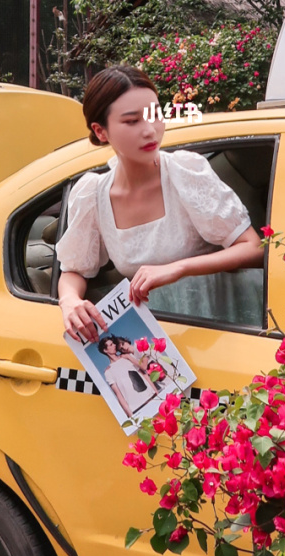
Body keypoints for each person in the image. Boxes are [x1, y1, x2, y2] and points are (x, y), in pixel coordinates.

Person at [57, 65, 264, 342]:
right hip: (153, 340)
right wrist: (69, 301)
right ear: (101, 131)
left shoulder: (185, 173)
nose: (150, 130)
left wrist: (180, 268)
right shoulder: (92, 195)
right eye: (132, 121)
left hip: (221, 329)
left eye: (155, 115)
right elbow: (74, 269)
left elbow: (253, 247)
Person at [96, 333, 160, 420]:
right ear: (105, 350)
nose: (114, 345)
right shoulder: (108, 372)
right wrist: (130, 415)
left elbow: (144, 374)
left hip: (150, 396)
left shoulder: (127, 357)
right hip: (137, 407)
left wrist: (157, 392)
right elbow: (118, 394)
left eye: (113, 343)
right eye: (111, 345)